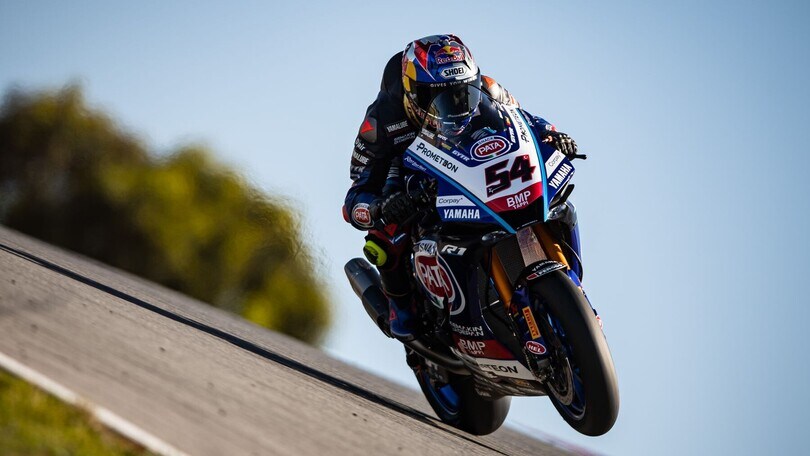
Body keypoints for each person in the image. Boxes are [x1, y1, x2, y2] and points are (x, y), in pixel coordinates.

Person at [343, 34, 579, 341]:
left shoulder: (490, 90)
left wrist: (553, 136)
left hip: (473, 164)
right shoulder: (380, 123)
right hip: (406, 175)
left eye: (462, 94)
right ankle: (400, 310)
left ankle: (566, 282)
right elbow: (354, 200)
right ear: (413, 93)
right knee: (386, 238)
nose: (452, 105)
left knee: (560, 204)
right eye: (435, 97)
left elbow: (527, 124)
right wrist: (379, 208)